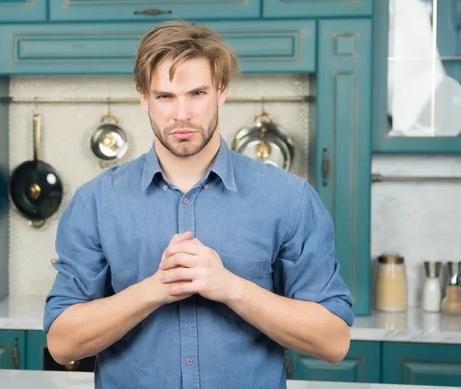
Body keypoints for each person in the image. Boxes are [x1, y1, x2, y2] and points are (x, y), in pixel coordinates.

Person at [44, 20, 354, 389]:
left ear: (221, 91)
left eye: (197, 94)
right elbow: (61, 344)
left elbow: (334, 342)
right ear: (143, 97)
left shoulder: (289, 199)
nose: (182, 114)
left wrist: (231, 288)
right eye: (164, 96)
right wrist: (154, 290)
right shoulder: (95, 202)